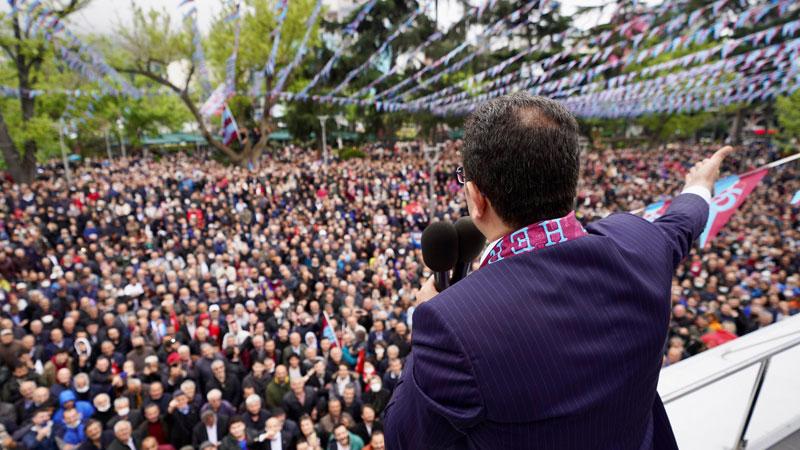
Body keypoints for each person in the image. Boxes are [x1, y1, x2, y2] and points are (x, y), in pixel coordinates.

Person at [383, 93, 734, 449]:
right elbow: (680, 225)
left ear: (476, 198)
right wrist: (700, 187)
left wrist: (422, 318)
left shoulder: (451, 325)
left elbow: (402, 437)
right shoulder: (639, 244)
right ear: (571, 179)